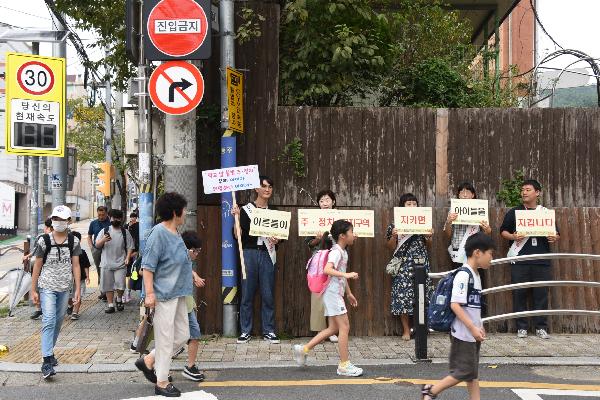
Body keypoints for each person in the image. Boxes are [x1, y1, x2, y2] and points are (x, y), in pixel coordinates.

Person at [420, 232, 495, 400]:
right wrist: (472, 328)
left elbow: (473, 307)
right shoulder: (464, 275)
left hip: (472, 333)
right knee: (463, 371)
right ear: (477, 253)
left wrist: (479, 326)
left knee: (471, 372)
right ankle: (431, 391)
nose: (491, 258)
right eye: (490, 253)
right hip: (463, 334)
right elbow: (455, 304)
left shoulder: (475, 275)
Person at [135, 192, 193, 397]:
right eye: (184, 210)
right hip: (162, 296)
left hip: (178, 293)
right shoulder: (158, 234)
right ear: (176, 212)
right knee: (166, 339)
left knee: (183, 335)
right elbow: (148, 267)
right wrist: (150, 294)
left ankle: (149, 361)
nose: (185, 213)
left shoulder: (175, 232)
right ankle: (161, 382)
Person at [135, 231, 206, 383]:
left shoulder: (183, 256)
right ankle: (156, 367)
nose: (197, 254)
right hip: (169, 301)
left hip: (183, 303)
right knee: (173, 338)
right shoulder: (160, 242)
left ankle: (159, 367)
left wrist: (194, 275)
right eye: (196, 251)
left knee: (181, 336)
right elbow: (144, 269)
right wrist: (149, 294)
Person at [294, 220, 362, 377]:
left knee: (333, 329)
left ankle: (303, 350)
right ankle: (344, 365)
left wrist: (349, 293)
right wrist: (347, 275)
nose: (354, 235)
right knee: (344, 327)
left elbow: (340, 277)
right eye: (352, 232)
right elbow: (327, 269)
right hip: (331, 295)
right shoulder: (336, 252)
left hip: (334, 294)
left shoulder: (343, 252)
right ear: (342, 236)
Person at [500, 179, 560, 340]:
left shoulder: (545, 213)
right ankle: (522, 327)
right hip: (520, 259)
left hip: (541, 259)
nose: (524, 192)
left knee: (541, 295)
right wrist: (513, 236)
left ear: (537, 193)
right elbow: (503, 231)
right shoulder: (514, 212)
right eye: (522, 190)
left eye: (527, 189)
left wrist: (554, 237)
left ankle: (541, 327)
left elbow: (557, 233)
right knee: (519, 294)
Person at [30, 205, 82, 380]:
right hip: (47, 287)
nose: (58, 223)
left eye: (62, 220)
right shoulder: (44, 240)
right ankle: (46, 361)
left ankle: (49, 352)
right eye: (56, 219)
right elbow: (37, 265)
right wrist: (33, 289)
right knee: (49, 319)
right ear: (52, 220)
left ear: (69, 221)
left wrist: (77, 291)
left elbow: (76, 265)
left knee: (58, 322)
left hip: (64, 288)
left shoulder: (73, 241)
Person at [231, 176, 282, 344]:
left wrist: (277, 240)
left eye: (270, 186)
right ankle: (245, 330)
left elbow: (281, 236)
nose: (267, 189)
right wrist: (236, 218)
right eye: (264, 186)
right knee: (247, 292)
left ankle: (269, 330)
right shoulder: (245, 209)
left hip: (267, 252)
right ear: (256, 189)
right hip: (249, 252)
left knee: (268, 293)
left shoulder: (275, 212)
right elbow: (237, 235)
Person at [385, 193, 434, 341]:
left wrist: (429, 236)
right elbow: (390, 247)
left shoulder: (423, 221)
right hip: (403, 263)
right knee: (403, 296)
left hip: (420, 261)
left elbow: (429, 245)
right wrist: (394, 236)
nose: (412, 206)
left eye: (414, 203)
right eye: (408, 203)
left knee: (422, 295)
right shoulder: (395, 224)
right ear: (402, 206)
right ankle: (406, 330)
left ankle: (420, 328)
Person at [304, 189, 338, 343]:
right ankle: (320, 330)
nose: (325, 203)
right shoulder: (312, 219)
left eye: (327, 200)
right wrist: (317, 239)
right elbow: (308, 243)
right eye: (321, 201)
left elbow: (345, 240)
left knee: (333, 295)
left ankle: (331, 329)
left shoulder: (339, 220)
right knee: (318, 295)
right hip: (318, 262)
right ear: (318, 204)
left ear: (333, 202)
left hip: (335, 260)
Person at [95, 209, 134, 313]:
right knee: (108, 286)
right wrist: (103, 240)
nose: (115, 220)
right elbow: (97, 245)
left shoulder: (125, 232)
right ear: (110, 218)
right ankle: (110, 305)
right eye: (113, 217)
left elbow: (130, 246)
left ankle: (119, 299)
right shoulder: (104, 231)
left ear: (121, 219)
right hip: (106, 264)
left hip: (121, 263)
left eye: (118, 218)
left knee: (120, 284)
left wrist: (127, 257)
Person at [444, 182, 492, 267]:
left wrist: (487, 229)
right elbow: (448, 235)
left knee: (476, 277)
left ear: (473, 195)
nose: (465, 195)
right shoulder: (453, 210)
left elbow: (488, 232)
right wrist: (448, 222)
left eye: (468, 192)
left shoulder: (480, 209)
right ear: (458, 195)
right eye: (462, 192)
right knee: (460, 278)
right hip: (458, 250)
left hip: (476, 250)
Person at [25, 218, 53, 320]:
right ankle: (38, 309)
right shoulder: (41, 238)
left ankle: (66, 307)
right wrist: (28, 255)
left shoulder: (59, 237)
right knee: (37, 286)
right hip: (40, 266)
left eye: (47, 227)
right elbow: (36, 250)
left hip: (50, 269)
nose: (46, 229)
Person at [87, 206, 110, 300]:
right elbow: (89, 236)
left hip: (108, 249)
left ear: (106, 213)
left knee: (107, 269)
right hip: (97, 249)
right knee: (99, 269)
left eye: (103, 215)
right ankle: (102, 291)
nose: (101, 216)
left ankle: (108, 290)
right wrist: (92, 247)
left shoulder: (110, 222)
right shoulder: (93, 223)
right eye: (99, 215)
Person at [67, 231, 91, 320]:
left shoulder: (82, 252)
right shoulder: (66, 251)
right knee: (68, 296)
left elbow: (86, 265)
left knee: (78, 295)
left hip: (80, 278)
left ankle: (75, 312)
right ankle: (70, 305)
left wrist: (88, 276)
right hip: (68, 278)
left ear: (79, 241)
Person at [124, 212, 140, 303]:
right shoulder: (126, 227)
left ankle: (128, 293)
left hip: (134, 254)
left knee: (132, 274)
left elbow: (137, 240)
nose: (133, 219)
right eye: (131, 217)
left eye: (134, 217)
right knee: (124, 274)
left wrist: (136, 252)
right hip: (127, 254)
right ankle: (123, 294)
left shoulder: (138, 226)